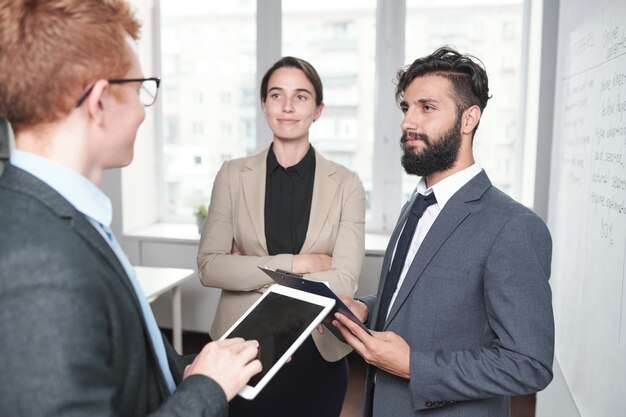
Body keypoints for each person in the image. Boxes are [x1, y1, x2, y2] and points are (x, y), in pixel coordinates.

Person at [0, 1, 261, 416]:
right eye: (140, 89)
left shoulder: (62, 216)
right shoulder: (39, 264)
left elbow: (122, 361)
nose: (142, 110)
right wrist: (208, 389)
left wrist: (186, 370)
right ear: (100, 101)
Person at [333, 46, 555, 417]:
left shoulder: (514, 226)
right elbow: (421, 295)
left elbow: (529, 364)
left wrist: (415, 366)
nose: (408, 122)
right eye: (406, 108)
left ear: (469, 119)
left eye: (427, 107)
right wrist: (367, 309)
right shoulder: (416, 204)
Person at [197, 56, 366, 417]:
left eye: (301, 96)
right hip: (241, 348)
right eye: (277, 95)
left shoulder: (347, 184)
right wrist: (296, 265)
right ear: (263, 105)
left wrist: (252, 270)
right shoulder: (232, 175)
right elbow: (210, 267)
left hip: (316, 347)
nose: (288, 106)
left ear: (318, 109)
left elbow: (345, 277)